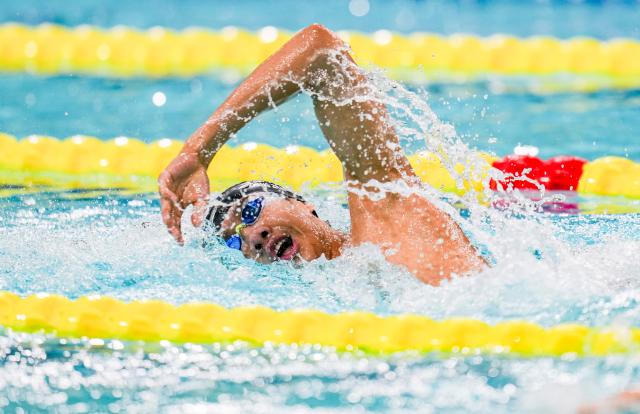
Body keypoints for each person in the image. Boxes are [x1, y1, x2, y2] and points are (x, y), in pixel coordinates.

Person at [158, 24, 486, 285]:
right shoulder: (330, 301)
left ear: (303, 203)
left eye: (251, 210)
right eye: (235, 241)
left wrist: (199, 150)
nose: (251, 235)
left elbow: (321, 51)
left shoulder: (387, 211)